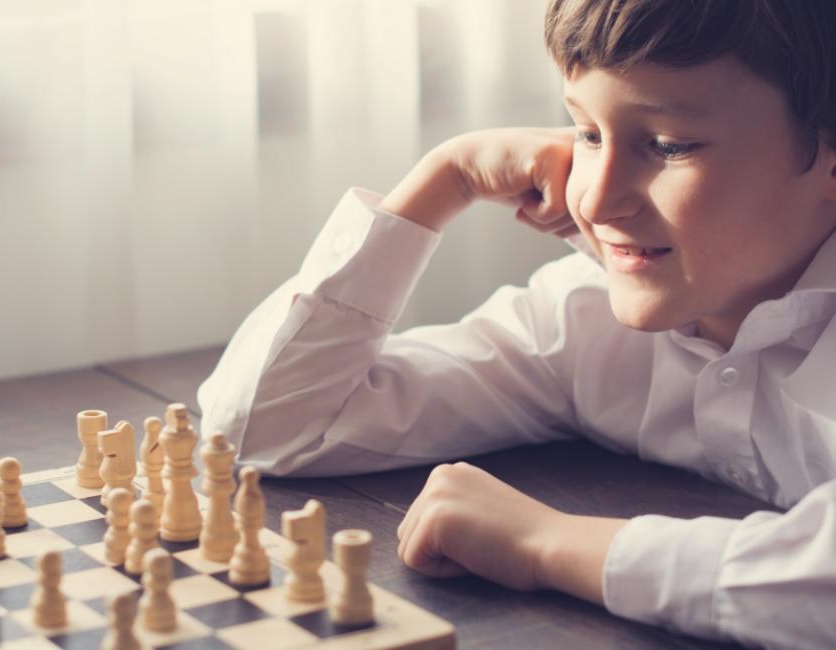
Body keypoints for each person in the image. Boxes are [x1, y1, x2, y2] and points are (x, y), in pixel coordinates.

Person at [198, 0, 836, 647]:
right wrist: (445, 179)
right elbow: (265, 431)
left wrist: (545, 542)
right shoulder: (582, 316)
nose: (596, 199)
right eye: (587, 133)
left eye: (668, 146)